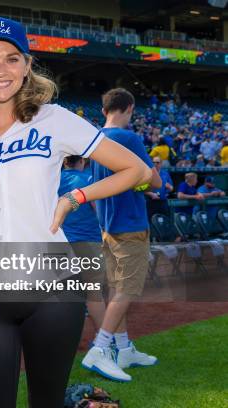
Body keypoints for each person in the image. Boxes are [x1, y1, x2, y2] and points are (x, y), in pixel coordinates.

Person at [0, 18, 152, 407]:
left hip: (52, 280)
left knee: (48, 402)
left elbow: (137, 170)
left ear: (27, 64)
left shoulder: (52, 118)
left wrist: (75, 198)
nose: (0, 70)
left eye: (11, 59)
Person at [84, 88, 162, 383]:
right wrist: (144, 187)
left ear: (105, 109)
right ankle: (100, 348)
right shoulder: (129, 138)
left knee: (118, 288)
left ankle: (124, 348)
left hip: (106, 224)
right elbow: (152, 181)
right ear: (128, 108)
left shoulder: (95, 141)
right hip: (130, 223)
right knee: (127, 289)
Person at [58, 155, 105, 333]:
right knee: (93, 293)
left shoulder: (54, 179)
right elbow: (97, 207)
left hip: (61, 241)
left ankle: (61, 341)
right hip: (88, 240)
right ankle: (103, 342)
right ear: (82, 161)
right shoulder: (88, 179)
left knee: (65, 294)